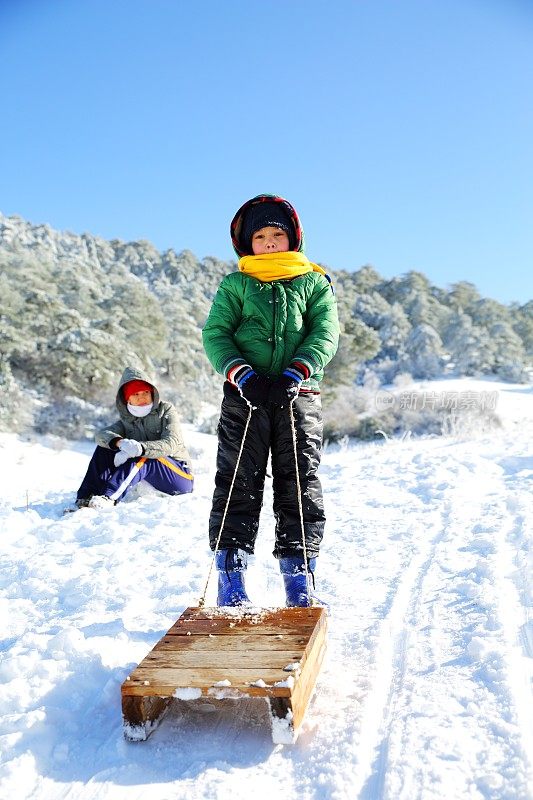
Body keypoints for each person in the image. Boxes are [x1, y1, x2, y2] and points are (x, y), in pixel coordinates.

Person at [202, 194, 339, 607]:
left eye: (277, 234)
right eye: (260, 236)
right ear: (247, 243)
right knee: (237, 484)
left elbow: (325, 332)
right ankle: (231, 577)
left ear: (292, 237)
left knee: (299, 484)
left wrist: (296, 372)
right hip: (245, 399)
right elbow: (216, 334)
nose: (269, 242)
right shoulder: (236, 284)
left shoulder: (313, 281)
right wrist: (243, 375)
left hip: (299, 398)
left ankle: (299, 578)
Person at [73, 366, 193, 509]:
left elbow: (171, 443)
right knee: (104, 448)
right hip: (150, 475)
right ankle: (87, 496)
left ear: (152, 393)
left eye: (145, 392)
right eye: (135, 394)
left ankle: (109, 497)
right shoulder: (127, 420)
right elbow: (101, 435)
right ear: (127, 399)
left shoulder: (165, 410)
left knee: (145, 456)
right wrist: (120, 443)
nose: (142, 397)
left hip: (180, 476)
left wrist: (140, 448)